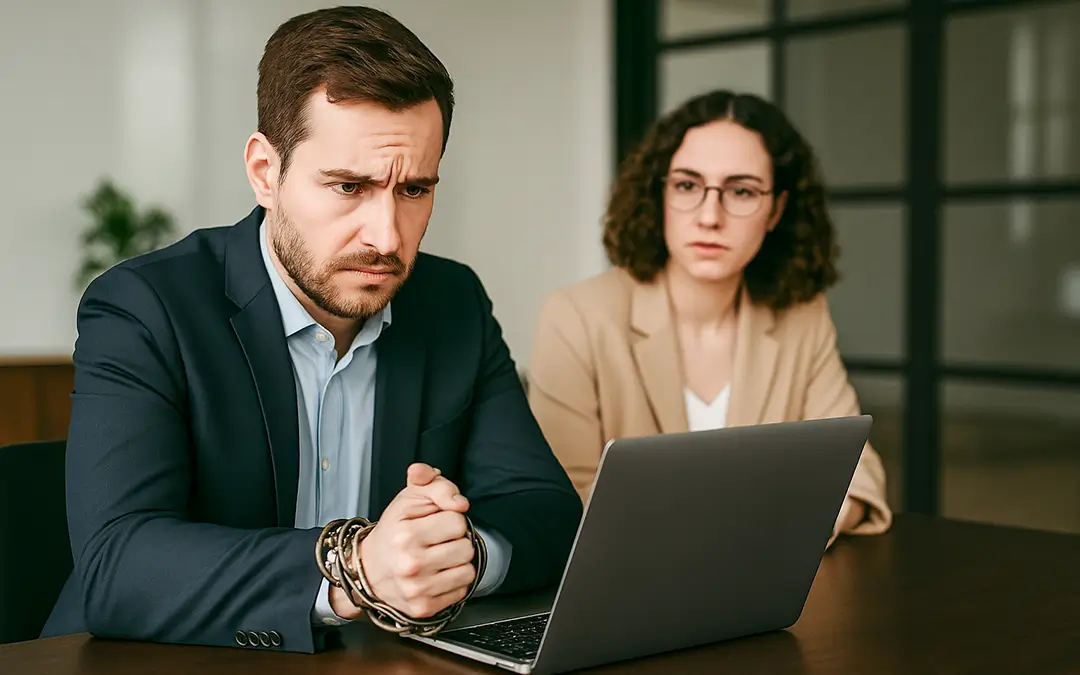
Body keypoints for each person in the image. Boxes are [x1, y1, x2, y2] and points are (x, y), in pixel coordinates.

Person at [40, 6, 581, 653]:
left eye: (413, 190)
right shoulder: (145, 305)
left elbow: (547, 512)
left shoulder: (452, 302)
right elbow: (117, 564)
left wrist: (456, 552)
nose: (386, 236)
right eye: (348, 186)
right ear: (266, 173)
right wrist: (356, 569)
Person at [527, 89, 891, 544]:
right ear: (658, 194)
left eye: (741, 191)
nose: (709, 216)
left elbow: (858, 472)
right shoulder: (577, 317)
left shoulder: (802, 316)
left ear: (776, 209)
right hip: (632, 588)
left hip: (770, 584)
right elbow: (565, 499)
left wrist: (813, 521)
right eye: (687, 185)